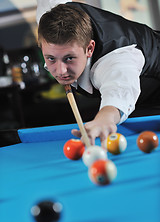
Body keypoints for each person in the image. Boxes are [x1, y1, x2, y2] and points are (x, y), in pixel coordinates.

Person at [36, 0, 160, 148]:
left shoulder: (115, 60)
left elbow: (118, 94)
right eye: (51, 58)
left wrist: (103, 120)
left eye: (69, 58)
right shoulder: (49, 19)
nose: (61, 70)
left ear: (89, 48)